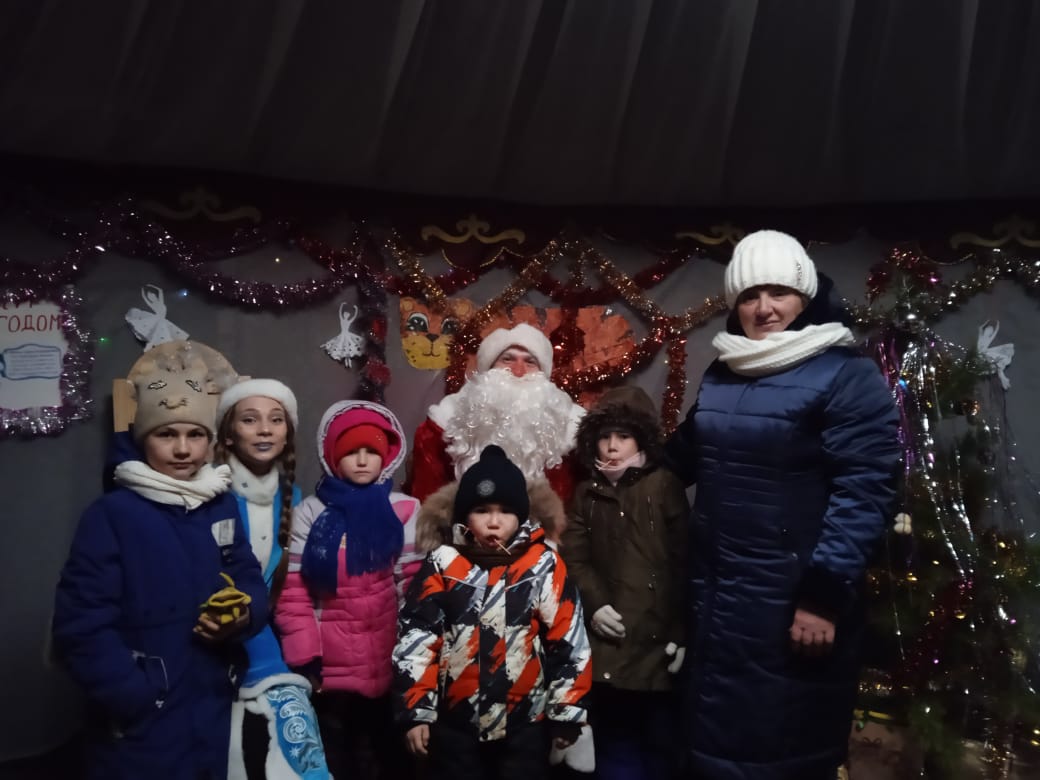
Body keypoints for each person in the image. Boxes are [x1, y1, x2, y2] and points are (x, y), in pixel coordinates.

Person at [664, 229, 900, 780]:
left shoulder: (846, 374)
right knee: (711, 736)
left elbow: (866, 491)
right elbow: (688, 451)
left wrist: (823, 597)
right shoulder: (725, 370)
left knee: (779, 745)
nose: (764, 308)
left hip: (791, 601)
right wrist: (624, 464)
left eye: (778, 292)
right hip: (715, 594)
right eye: (749, 295)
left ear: (805, 296)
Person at [52, 345, 268, 780]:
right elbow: (80, 625)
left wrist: (244, 614)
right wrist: (136, 695)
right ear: (142, 439)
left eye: (196, 435)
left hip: (208, 703)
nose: (183, 449)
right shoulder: (112, 515)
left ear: (211, 441)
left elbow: (247, 576)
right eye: (166, 434)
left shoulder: (220, 503)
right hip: (140, 723)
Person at [393, 444, 593, 780]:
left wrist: (567, 712)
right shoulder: (444, 563)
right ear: (464, 515)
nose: (494, 522)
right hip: (456, 724)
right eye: (482, 510)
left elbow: (569, 640)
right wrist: (416, 711)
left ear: (521, 515)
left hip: (525, 725)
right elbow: (417, 639)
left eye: (506, 511)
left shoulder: (543, 565)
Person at [275, 399, 422, 780]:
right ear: (332, 457)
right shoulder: (310, 513)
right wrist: (306, 659)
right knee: (338, 758)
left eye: (371, 451)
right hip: (331, 669)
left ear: (385, 456)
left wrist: (415, 658)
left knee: (389, 758)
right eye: (351, 452)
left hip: (390, 661)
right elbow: (294, 592)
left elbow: (413, 586)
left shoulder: (405, 509)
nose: (361, 461)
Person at [561, 385, 689, 779]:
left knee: (659, 743)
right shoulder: (587, 493)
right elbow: (574, 557)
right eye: (605, 436)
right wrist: (595, 604)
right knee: (612, 740)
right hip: (606, 639)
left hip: (655, 642)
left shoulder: (663, 485)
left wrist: (680, 631)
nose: (613, 446)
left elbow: (684, 561)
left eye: (624, 436)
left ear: (642, 440)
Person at [214, 379, 328, 780]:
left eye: (276, 420)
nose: (264, 429)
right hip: (214, 632)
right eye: (250, 420)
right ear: (229, 433)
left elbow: (285, 583)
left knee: (290, 726)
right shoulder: (210, 493)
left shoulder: (292, 497)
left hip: (264, 629)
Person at [407, 322, 586, 509]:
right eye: (507, 359)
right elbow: (429, 502)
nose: (518, 371)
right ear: (489, 369)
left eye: (530, 362)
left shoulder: (573, 427)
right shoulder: (445, 421)